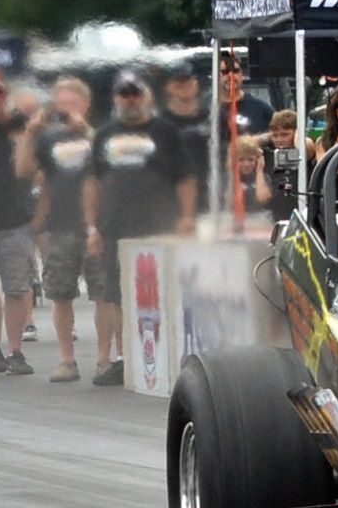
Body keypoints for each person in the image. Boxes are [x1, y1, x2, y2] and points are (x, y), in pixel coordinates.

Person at [83, 70, 196, 386]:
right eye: (124, 94)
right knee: (117, 294)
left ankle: (168, 354)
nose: (130, 99)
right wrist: (92, 227)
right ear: (116, 98)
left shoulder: (166, 132)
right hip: (114, 226)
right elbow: (92, 182)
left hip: (159, 225)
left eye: (135, 93)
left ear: (146, 96)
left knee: (162, 291)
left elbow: (185, 177)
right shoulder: (104, 134)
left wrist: (187, 216)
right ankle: (125, 358)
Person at [13, 76, 94, 381]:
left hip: (97, 223)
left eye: (72, 103)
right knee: (61, 293)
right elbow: (24, 171)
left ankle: (109, 358)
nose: (66, 109)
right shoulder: (48, 139)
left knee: (107, 295)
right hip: (61, 222)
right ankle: (67, 359)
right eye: (61, 104)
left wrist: (82, 129)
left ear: (85, 104)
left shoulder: (98, 134)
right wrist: (29, 132)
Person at [0, 67, 35, 375]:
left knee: (17, 288)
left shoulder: (19, 125)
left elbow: (32, 165)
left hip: (16, 217)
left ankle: (16, 350)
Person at [160, 61, 211, 212]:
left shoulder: (214, 117)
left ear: (196, 83)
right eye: (178, 81)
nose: (184, 85)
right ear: (168, 86)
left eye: (188, 79)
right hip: (171, 200)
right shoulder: (158, 123)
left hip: (211, 198)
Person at [218, 53, 274, 142]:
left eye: (236, 71)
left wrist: (260, 139)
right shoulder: (205, 109)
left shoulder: (261, 109)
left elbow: (282, 131)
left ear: (242, 74)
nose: (231, 76)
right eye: (225, 72)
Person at [224, 136, 272, 215]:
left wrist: (259, 171)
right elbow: (230, 201)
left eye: (250, 159)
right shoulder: (226, 178)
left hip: (258, 218)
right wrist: (232, 171)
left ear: (258, 160)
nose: (246, 164)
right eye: (241, 160)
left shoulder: (263, 177)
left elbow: (262, 198)